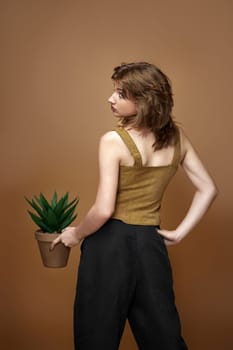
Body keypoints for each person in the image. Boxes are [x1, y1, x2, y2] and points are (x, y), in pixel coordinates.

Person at [51, 62, 217, 350]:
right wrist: (178, 233)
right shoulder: (177, 139)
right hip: (150, 245)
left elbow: (104, 209)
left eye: (121, 93)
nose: (111, 99)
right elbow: (208, 188)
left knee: (96, 335)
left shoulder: (113, 141)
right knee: (163, 337)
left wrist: (75, 234)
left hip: (108, 245)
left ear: (144, 101)